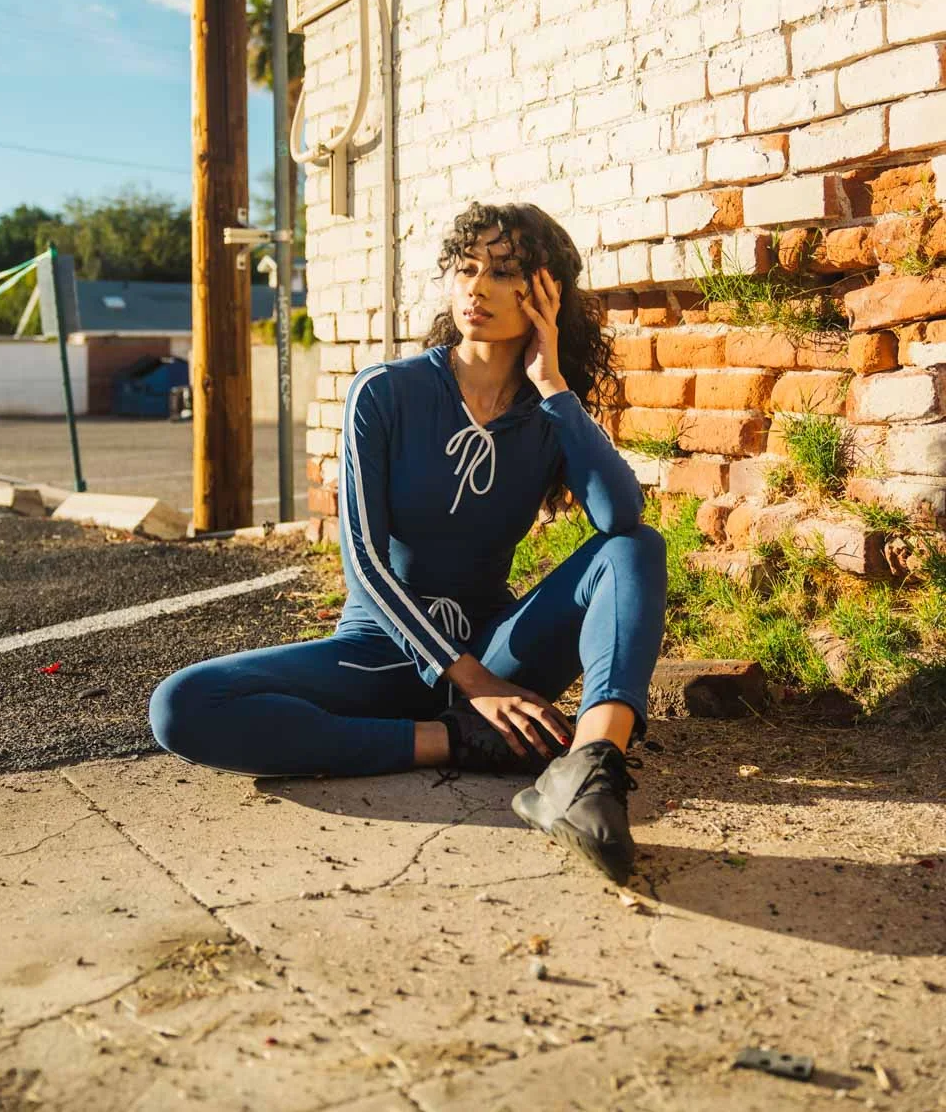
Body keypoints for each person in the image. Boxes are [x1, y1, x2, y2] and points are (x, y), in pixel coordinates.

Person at [149, 202, 667, 883]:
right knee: (183, 705)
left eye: (503, 272)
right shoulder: (386, 392)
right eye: (466, 267)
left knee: (634, 547)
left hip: (499, 651)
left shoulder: (547, 414)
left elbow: (619, 515)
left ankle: (591, 772)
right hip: (379, 653)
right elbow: (364, 563)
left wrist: (552, 385)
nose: (476, 287)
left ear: (545, 294)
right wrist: (473, 688)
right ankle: (450, 742)